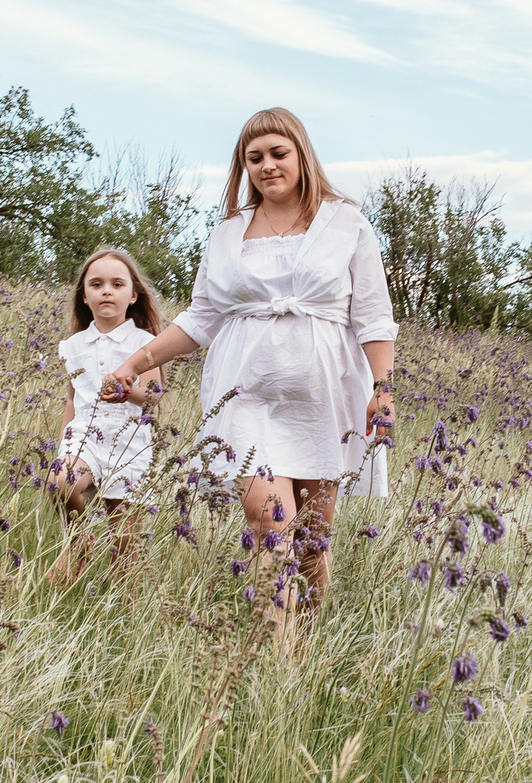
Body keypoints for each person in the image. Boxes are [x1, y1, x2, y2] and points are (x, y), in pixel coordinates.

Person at [103, 107, 397, 620]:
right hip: (246, 396)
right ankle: (274, 652)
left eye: (278, 153)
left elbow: (373, 316)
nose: (267, 166)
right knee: (267, 525)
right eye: (254, 158)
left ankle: (303, 650)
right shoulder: (227, 233)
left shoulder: (346, 223)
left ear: (302, 155)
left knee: (312, 539)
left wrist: (383, 388)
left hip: (324, 398)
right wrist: (136, 361)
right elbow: (201, 317)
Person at [48, 246, 160, 584]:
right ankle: (79, 539)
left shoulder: (146, 343)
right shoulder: (73, 345)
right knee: (60, 481)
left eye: (116, 284)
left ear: (133, 295)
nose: (106, 291)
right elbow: (72, 399)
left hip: (129, 442)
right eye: (96, 285)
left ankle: (124, 609)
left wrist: (126, 392)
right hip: (85, 435)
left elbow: (153, 397)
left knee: (124, 544)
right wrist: (64, 443)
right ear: (84, 296)